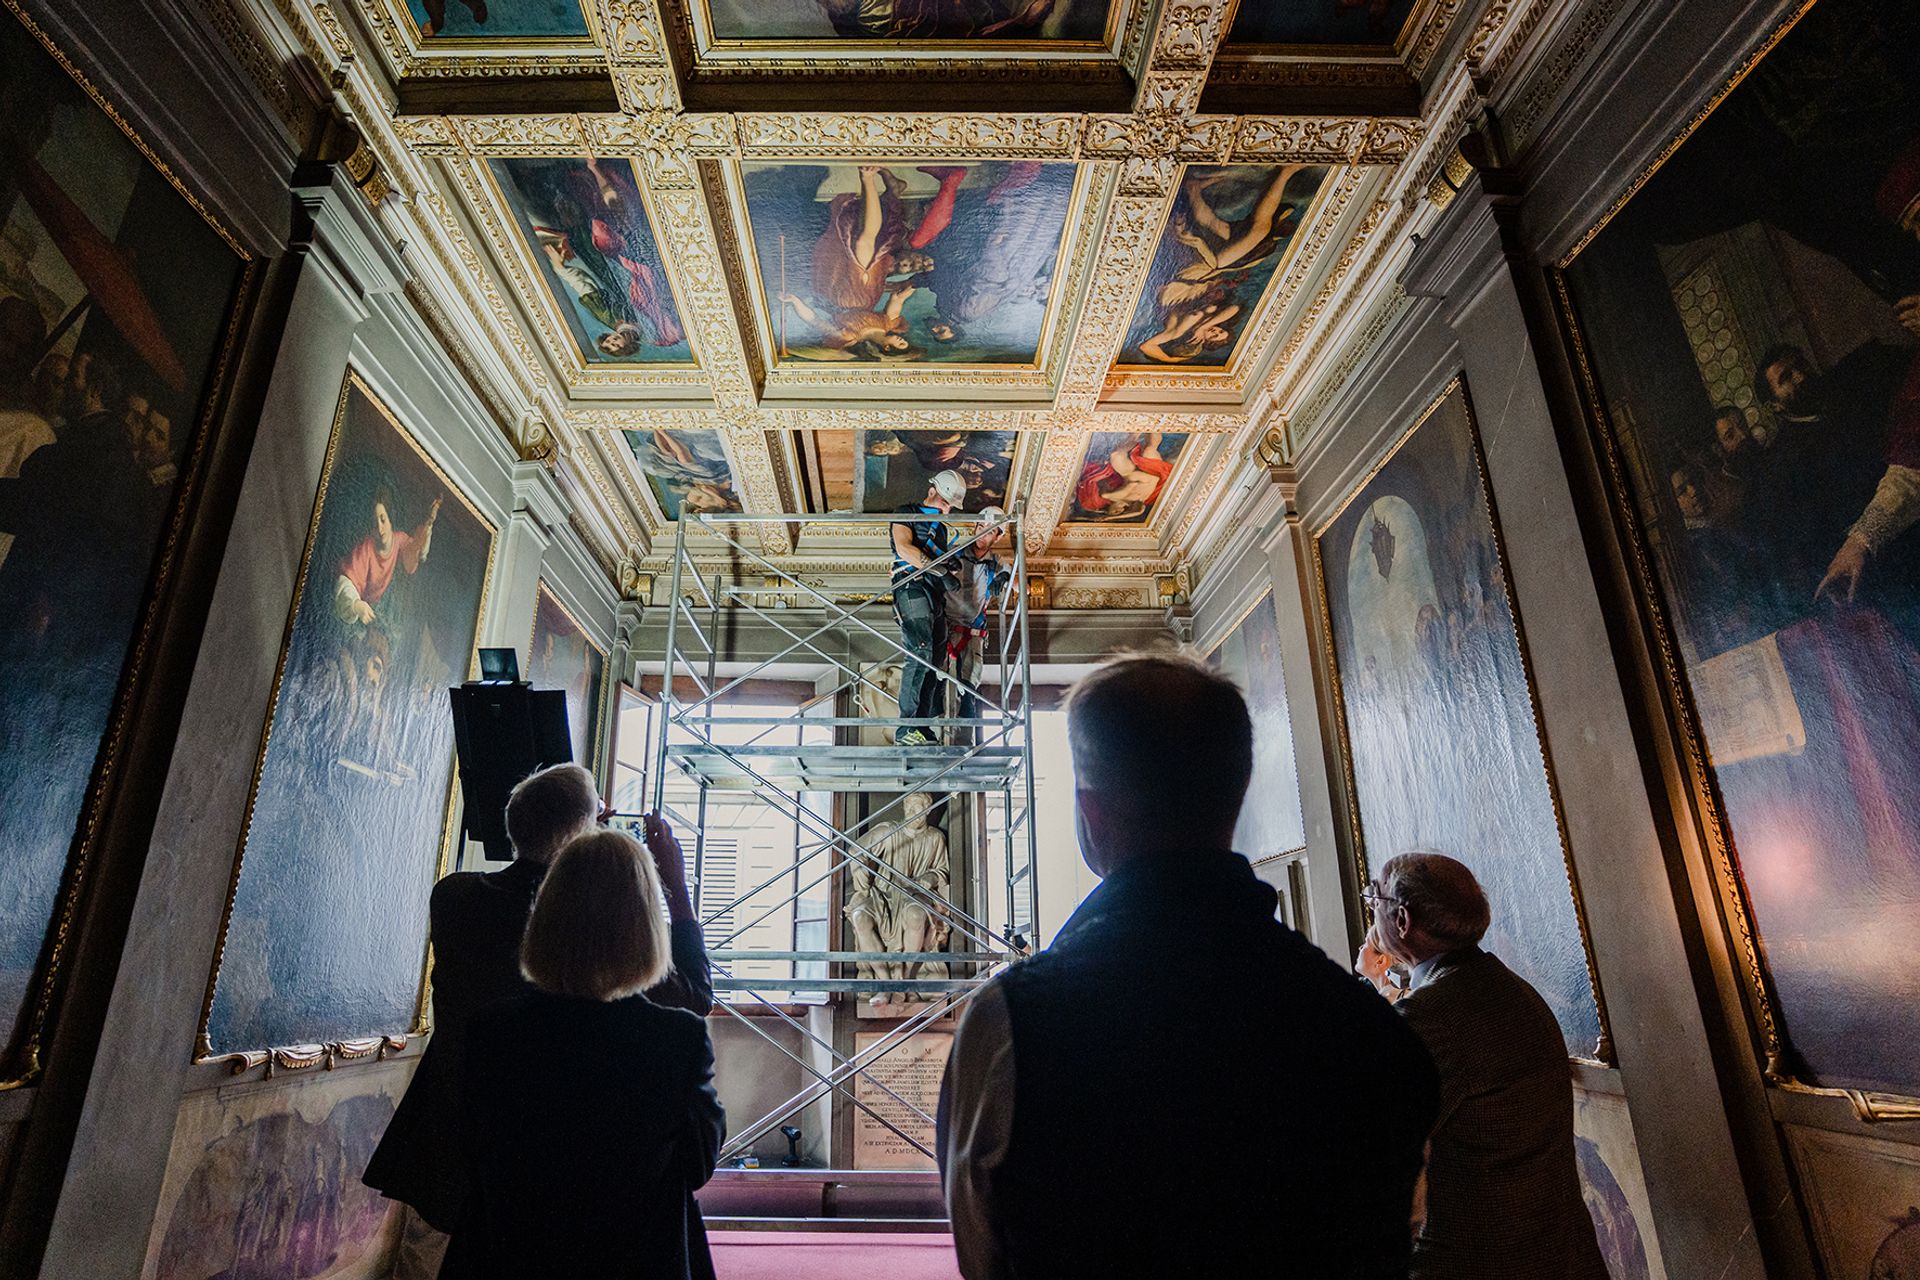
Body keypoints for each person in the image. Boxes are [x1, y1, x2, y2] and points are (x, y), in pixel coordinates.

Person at [938, 652, 1440, 1280]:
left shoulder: (1010, 1024)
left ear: (1091, 816)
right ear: (1235, 796)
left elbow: (984, 1258)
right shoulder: (1376, 1033)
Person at [364, 764, 712, 1277]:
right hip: (587, 1181)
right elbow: (694, 996)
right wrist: (673, 884)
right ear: (580, 834)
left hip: (459, 1148)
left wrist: (576, 836)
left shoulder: (455, 897)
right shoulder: (596, 938)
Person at [439, 827, 725, 1280]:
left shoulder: (491, 1031)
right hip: (637, 1259)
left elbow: (471, 1156)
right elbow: (697, 1166)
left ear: (546, 916)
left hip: (511, 1255)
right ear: (646, 929)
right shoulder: (677, 1039)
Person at [1368, 851, 1608, 1280]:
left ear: (1402, 920)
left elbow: (1373, 1150)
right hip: (1560, 1249)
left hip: (1474, 1260)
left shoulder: (1429, 1017)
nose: (1370, 906)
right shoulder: (1512, 989)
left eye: (1375, 896)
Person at [890, 469, 966, 746]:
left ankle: (921, 726)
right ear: (932, 490)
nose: (947, 509)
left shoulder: (942, 529)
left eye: (950, 506)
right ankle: (906, 727)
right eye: (945, 502)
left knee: (935, 661)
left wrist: (950, 566)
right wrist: (941, 570)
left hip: (934, 594)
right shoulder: (906, 512)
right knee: (919, 651)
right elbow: (904, 549)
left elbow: (938, 561)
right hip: (911, 586)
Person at [944, 506, 1009, 724]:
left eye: (990, 531)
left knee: (971, 678)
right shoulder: (953, 552)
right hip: (946, 623)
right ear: (974, 527)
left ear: (997, 537)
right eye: (981, 527)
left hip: (972, 628)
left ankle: (967, 717)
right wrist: (944, 566)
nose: (983, 533)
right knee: (937, 676)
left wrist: (1005, 577)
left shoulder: (996, 562)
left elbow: (1021, 585)